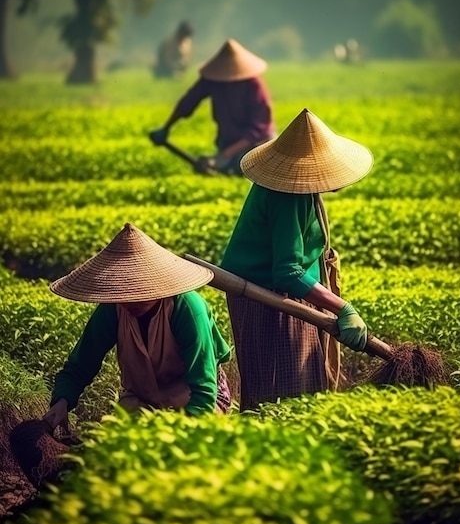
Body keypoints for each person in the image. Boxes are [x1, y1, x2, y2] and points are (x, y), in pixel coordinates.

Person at [220, 108, 374, 412]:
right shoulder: (287, 194)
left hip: (294, 293)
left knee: (307, 385)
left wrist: (325, 300)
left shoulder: (304, 190)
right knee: (284, 394)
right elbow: (287, 271)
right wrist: (343, 308)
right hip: (267, 299)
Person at [43, 223, 232, 432]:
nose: (129, 301)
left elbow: (204, 389)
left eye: (139, 293)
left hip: (194, 395)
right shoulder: (113, 309)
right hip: (143, 398)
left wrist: (185, 433)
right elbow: (81, 364)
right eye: (124, 293)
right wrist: (61, 401)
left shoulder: (187, 308)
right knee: (123, 434)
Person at [149, 38, 276, 175]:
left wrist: (223, 156)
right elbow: (188, 102)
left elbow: (258, 130)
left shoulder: (254, 86)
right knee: (225, 170)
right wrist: (167, 127)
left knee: (244, 171)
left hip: (258, 147)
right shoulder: (213, 80)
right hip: (228, 139)